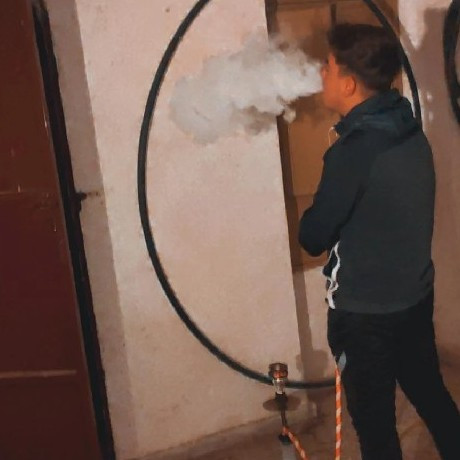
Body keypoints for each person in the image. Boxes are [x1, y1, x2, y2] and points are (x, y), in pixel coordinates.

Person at [298, 23, 460, 459]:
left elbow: (313, 236)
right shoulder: (408, 128)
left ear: (349, 83)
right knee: (430, 393)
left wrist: (316, 209)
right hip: (414, 299)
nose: (321, 74)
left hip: (365, 316)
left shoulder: (353, 153)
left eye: (328, 66)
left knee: (375, 429)